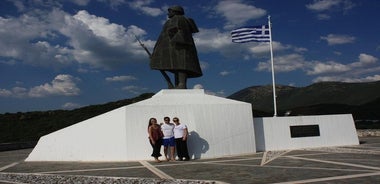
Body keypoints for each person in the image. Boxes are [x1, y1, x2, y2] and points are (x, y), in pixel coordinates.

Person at [150, 5, 202, 89]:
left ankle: (181, 84)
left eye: (170, 11)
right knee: (176, 66)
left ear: (175, 11)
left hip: (178, 45)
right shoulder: (175, 19)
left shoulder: (178, 18)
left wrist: (175, 39)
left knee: (181, 64)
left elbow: (179, 31)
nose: (168, 13)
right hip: (174, 45)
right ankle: (178, 84)